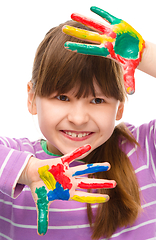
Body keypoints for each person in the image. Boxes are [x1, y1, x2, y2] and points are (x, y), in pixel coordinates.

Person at [0, 5, 156, 240]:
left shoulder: (145, 152)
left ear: (119, 107)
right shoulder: (15, 162)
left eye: (97, 100)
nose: (78, 118)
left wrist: (143, 55)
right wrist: (29, 172)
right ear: (32, 98)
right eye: (62, 97)